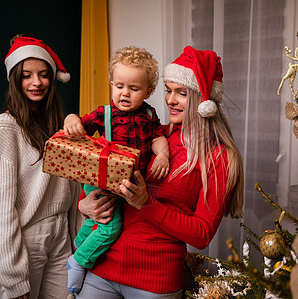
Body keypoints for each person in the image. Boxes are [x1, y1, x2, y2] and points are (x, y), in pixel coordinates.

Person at [76, 45, 245, 298]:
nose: (170, 100)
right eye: (168, 90)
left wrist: (147, 204)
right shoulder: (154, 134)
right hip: (102, 267)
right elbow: (104, 179)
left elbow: (201, 235)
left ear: (204, 101)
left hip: (155, 280)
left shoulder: (220, 158)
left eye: (182, 93)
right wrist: (85, 205)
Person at [0, 36, 93, 299]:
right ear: (15, 80)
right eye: (27, 75)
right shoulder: (4, 129)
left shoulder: (59, 127)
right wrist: (12, 277)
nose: (36, 82)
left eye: (43, 75)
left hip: (61, 233)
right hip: (27, 237)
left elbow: (73, 189)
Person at [63, 46, 170, 295]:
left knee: (99, 222)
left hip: (128, 182)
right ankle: (78, 261)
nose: (125, 93)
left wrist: (162, 153)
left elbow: (157, 137)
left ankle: (81, 246)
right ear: (112, 84)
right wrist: (71, 118)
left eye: (134, 89)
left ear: (148, 92)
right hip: (101, 179)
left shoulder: (149, 114)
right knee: (110, 226)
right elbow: (82, 124)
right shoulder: (105, 113)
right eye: (119, 86)